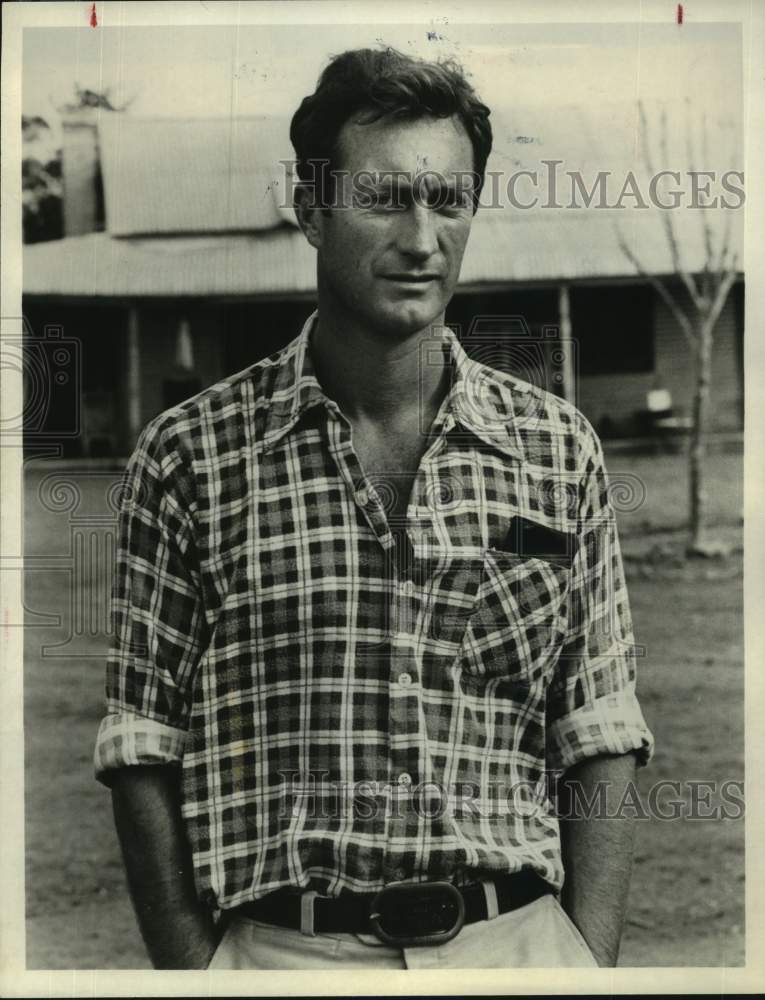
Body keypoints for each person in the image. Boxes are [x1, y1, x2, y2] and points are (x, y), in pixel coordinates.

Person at [94, 46, 653, 970]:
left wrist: (583, 957)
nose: (422, 237)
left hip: (514, 944)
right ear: (311, 208)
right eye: (385, 198)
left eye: (449, 200)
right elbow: (142, 740)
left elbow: (597, 727)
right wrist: (196, 968)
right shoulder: (189, 454)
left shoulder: (557, 451)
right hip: (280, 952)